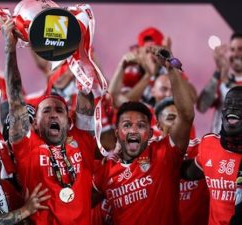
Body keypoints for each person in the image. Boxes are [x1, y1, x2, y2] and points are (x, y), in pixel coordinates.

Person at [3, 18, 97, 225]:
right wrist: (10, 49)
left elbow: (86, 91)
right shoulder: (27, 146)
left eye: (59, 110)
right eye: (46, 111)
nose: (54, 114)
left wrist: (78, 45)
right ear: (34, 124)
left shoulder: (82, 139)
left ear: (69, 119)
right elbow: (16, 99)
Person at [93, 51, 195, 225]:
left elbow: (186, 115)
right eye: (127, 125)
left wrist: (171, 69)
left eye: (140, 126)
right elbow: (76, 205)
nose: (133, 130)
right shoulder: (105, 172)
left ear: (149, 132)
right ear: (117, 133)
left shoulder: (164, 154)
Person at [183, 86, 242, 225]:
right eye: (228, 104)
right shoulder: (208, 144)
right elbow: (189, 172)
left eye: (240, 104)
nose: (232, 108)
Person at [154, 97, 209, 225]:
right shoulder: (146, 154)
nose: (179, 124)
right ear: (158, 125)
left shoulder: (204, 148)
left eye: (182, 119)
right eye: (171, 118)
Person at [197, 33, 242, 134]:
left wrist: (225, 78)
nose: (235, 54)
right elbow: (202, 106)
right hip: (216, 144)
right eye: (232, 49)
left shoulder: (224, 79)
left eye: (240, 49)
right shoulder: (220, 78)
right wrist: (218, 70)